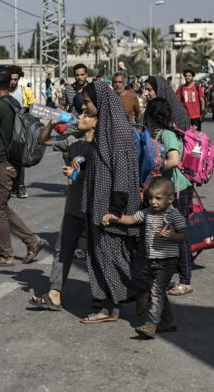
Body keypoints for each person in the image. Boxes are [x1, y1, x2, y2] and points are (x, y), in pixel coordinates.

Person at [79, 81, 148, 324]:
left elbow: (122, 172)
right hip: (99, 203)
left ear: (101, 102)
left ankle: (142, 291)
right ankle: (111, 307)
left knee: (113, 256)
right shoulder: (105, 127)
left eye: (87, 102)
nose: (84, 107)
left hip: (110, 206)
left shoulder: (118, 129)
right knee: (103, 255)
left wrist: (115, 209)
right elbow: (105, 162)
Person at [0, 66, 47, 268]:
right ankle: (33, 241)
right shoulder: (14, 102)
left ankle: (5, 255)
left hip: (2, 163)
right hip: (14, 162)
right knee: (2, 207)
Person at [30, 99, 96, 310]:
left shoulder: (100, 146)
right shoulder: (72, 141)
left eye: (86, 115)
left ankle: (102, 293)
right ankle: (54, 293)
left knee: (96, 251)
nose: (81, 117)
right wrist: (51, 120)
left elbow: (102, 177)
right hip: (73, 206)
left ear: (96, 121)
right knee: (62, 249)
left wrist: (79, 175)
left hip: (92, 207)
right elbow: (43, 140)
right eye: (82, 113)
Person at [102, 177, 187, 339]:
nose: (153, 202)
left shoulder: (173, 215)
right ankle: (168, 321)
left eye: (158, 198)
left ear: (171, 199)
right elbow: (132, 219)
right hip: (152, 260)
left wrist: (171, 235)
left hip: (167, 260)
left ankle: (151, 325)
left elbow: (183, 235)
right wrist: (115, 217)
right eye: (150, 198)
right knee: (159, 292)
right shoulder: (147, 213)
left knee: (155, 292)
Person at [143, 98, 195, 296]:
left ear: (152, 116)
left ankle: (185, 280)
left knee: (179, 235)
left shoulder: (167, 135)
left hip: (178, 190)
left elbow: (173, 160)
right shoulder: (158, 134)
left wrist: (154, 170)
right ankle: (168, 277)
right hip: (169, 190)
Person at [8, 66, 34, 199]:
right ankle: (12, 186)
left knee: (20, 158)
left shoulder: (25, 91)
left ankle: (21, 186)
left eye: (15, 79)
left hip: (21, 130)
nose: (13, 82)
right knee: (7, 159)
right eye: (11, 79)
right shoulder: (2, 91)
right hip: (6, 130)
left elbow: (33, 108)